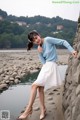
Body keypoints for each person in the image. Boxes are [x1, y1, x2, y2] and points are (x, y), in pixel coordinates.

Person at [18, 30, 77, 120]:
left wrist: (72, 50)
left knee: (34, 86)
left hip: (51, 65)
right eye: (34, 40)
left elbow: (63, 42)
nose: (36, 40)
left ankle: (28, 109)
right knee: (40, 88)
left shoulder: (48, 39)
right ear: (33, 42)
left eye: (36, 38)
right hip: (45, 67)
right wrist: (40, 52)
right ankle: (43, 110)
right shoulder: (39, 48)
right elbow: (43, 62)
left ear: (39, 35)